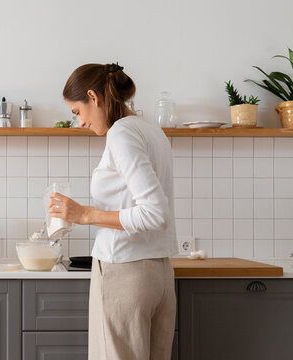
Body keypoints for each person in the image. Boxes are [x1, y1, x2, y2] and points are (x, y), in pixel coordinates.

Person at [48, 63, 179, 360]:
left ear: (93, 97)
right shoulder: (150, 129)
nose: (80, 122)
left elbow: (155, 213)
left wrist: (85, 215)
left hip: (125, 273)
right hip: (158, 274)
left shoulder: (121, 134)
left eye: (77, 112)